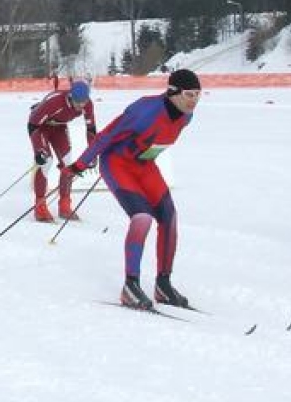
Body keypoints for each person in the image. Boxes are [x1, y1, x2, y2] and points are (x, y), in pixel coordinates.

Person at [64, 69, 202, 310]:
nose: (194, 100)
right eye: (190, 94)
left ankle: (163, 284)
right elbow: (106, 136)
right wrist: (80, 164)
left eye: (198, 95)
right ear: (173, 93)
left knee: (169, 217)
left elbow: (154, 142)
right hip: (117, 164)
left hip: (144, 165)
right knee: (142, 218)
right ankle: (130, 285)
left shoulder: (187, 116)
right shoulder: (144, 111)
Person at [27, 80, 97, 222]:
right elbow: (33, 125)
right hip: (40, 127)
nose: (81, 106)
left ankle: (65, 205)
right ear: (70, 96)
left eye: (84, 101)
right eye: (78, 102)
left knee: (68, 164)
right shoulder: (55, 102)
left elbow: (91, 129)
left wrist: (93, 152)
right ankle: (40, 206)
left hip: (59, 127)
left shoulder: (87, 104)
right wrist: (38, 151)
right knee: (46, 162)